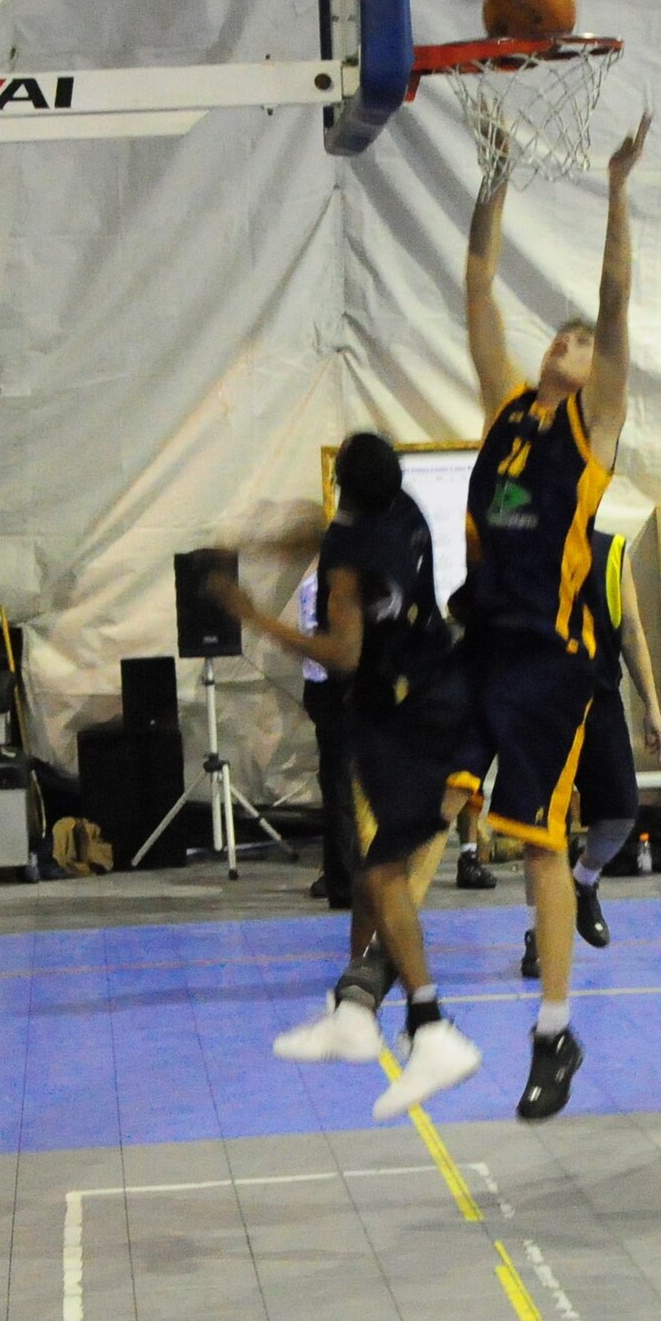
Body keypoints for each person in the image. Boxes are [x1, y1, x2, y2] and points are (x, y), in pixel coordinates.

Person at [450, 107, 652, 1119]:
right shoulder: (501, 411)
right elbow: (477, 286)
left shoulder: (593, 424)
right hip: (478, 642)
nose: (568, 341)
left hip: (553, 660)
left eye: (580, 342)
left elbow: (615, 299)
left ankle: (552, 1031)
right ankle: (378, 977)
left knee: (538, 842)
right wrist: (494, 172)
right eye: (561, 334)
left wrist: (616, 189)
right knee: (414, 799)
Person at [212, 434, 481, 1118]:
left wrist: (257, 620)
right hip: (440, 696)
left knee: (384, 873)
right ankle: (355, 1009)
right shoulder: (406, 512)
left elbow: (342, 655)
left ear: (343, 489)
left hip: (401, 715)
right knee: (370, 872)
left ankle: (429, 1024)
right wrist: (276, 542)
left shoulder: (349, 564)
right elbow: (327, 529)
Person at [520, 527, 661, 980]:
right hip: (539, 708)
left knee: (622, 811)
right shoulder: (522, 544)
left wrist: (652, 706)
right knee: (543, 831)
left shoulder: (612, 551)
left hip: (599, 701)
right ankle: (539, 934)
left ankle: (583, 883)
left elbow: (632, 631)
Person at [298, 567, 352, 910]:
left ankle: (342, 874)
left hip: (335, 686)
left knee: (340, 786)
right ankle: (342, 876)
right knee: (339, 787)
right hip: (332, 688)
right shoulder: (317, 585)